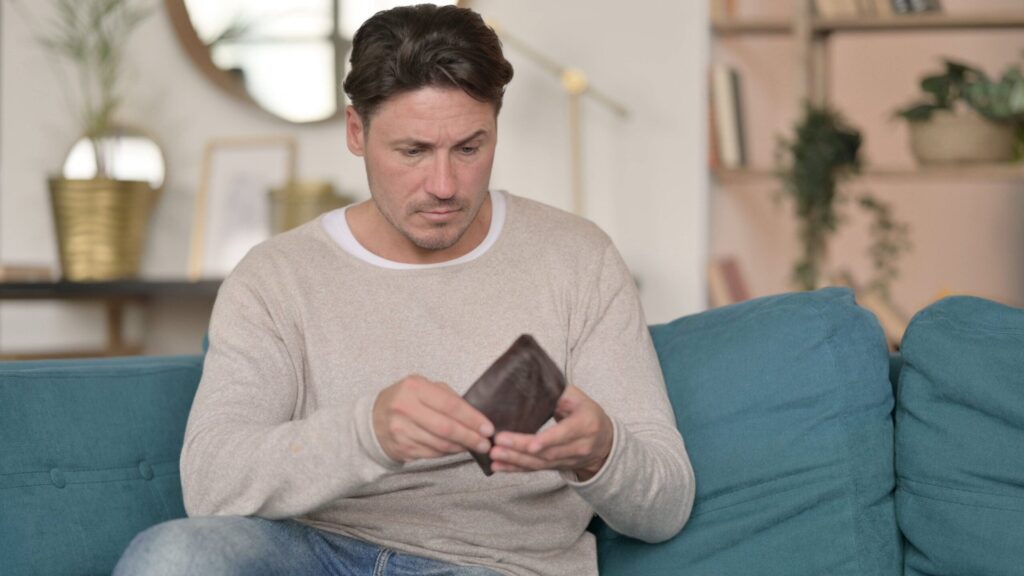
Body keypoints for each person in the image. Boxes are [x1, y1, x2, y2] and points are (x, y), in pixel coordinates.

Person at [114, 4, 694, 575]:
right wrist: (370, 432)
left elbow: (666, 506)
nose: (444, 185)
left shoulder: (577, 260)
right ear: (356, 132)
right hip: (313, 552)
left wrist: (602, 452)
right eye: (413, 151)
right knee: (174, 558)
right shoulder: (275, 277)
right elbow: (213, 485)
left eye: (470, 148)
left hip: (495, 564)